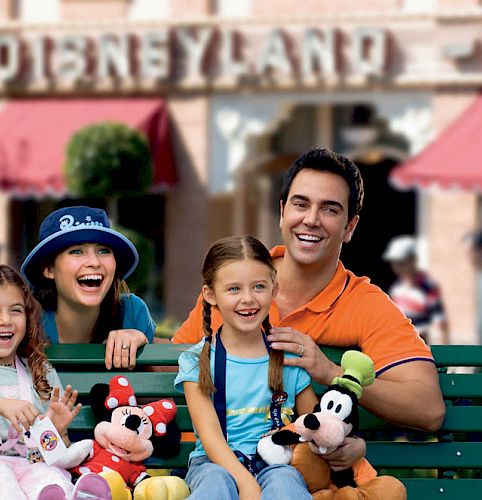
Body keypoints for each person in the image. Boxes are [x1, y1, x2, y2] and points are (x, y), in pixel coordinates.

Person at [173, 148, 445, 463]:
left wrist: (330, 371)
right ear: (282, 212)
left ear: (350, 227)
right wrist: (137, 339)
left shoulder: (365, 304)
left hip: (300, 474)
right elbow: (171, 363)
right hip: (215, 470)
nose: (311, 219)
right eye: (301, 204)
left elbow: (430, 409)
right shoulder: (237, 282)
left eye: (329, 209)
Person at [174, 236, 318, 499]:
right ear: (210, 295)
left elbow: (314, 424)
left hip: (276, 463)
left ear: (274, 289)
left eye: (259, 287)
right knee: (216, 482)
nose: (248, 299)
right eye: (233, 289)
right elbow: (210, 437)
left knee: (285, 482)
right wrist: (246, 483)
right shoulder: (197, 361)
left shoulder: (289, 359)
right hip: (213, 463)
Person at [0, 264, 110, 500]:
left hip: (32, 466)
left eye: (16, 310)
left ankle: (75, 495)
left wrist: (56, 430)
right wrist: (2, 403)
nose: (5, 320)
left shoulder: (40, 372)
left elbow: (49, 455)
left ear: (28, 317)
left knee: (50, 480)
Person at [21, 206, 155, 370]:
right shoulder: (25, 321)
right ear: (49, 269)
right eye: (77, 251)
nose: (95, 262)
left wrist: (138, 336)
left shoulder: (132, 313)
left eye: (103, 250)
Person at [382, 235, 450, 345]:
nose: (396, 267)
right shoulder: (396, 289)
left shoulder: (428, 287)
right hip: (399, 345)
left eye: (401, 263)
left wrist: (446, 354)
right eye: (394, 263)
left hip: (421, 345)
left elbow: (441, 322)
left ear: (413, 260)